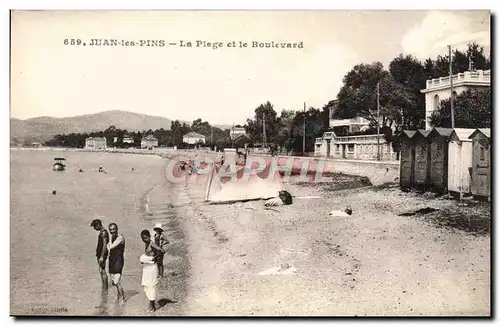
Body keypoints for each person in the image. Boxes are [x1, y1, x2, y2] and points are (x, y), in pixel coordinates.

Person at [140, 230, 165, 312]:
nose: (144, 240)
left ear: (149, 236)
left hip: (151, 268)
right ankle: (152, 305)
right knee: (146, 286)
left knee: (150, 286)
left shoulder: (152, 244)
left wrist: (155, 258)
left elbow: (162, 251)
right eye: (143, 239)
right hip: (147, 268)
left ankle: (151, 307)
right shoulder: (147, 243)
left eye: (146, 238)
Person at [90, 219, 109, 304]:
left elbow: (105, 245)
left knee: (102, 271)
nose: (95, 229)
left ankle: (105, 288)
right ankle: (104, 287)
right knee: (101, 271)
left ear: (98, 225)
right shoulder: (102, 232)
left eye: (95, 227)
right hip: (100, 254)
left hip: (102, 254)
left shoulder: (104, 233)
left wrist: (101, 256)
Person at [107, 223, 126, 305]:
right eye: (110, 230)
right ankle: (119, 296)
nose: (112, 231)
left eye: (114, 229)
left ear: (117, 229)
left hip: (118, 261)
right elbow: (109, 246)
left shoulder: (120, 237)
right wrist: (108, 245)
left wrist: (108, 245)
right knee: (113, 281)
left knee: (116, 281)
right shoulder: (112, 237)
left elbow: (110, 247)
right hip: (111, 260)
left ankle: (122, 298)